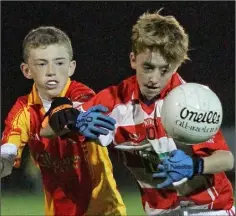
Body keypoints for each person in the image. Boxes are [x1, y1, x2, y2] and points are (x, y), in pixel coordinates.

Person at [43, 10, 235, 216]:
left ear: (177, 66)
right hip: (160, 212)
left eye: (164, 70)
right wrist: (73, 120)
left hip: (211, 210)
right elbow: (46, 130)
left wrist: (195, 165)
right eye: (148, 67)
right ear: (133, 60)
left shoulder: (191, 101)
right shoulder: (115, 101)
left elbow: (226, 159)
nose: (154, 78)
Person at [1, 26, 126, 216]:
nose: (51, 71)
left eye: (59, 63)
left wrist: (70, 119)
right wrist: (5, 159)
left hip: (105, 211)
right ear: (27, 70)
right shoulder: (23, 111)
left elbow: (66, 114)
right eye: (42, 64)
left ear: (71, 67)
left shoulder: (83, 94)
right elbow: (8, 154)